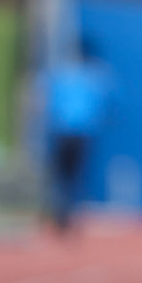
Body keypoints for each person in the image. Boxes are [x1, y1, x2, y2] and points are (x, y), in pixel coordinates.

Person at [44, 46, 114, 232]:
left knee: (61, 176)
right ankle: (73, 216)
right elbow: (106, 103)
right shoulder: (95, 77)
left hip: (61, 132)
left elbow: (48, 102)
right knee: (77, 177)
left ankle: (61, 215)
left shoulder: (59, 75)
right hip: (83, 134)